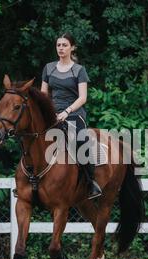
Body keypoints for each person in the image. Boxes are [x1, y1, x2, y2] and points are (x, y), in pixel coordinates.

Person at [41, 32, 102, 200]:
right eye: (59, 45)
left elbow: (83, 97)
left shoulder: (79, 70)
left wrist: (66, 112)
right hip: (51, 113)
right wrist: (49, 112)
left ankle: (91, 183)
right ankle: (26, 179)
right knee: (31, 135)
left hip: (74, 113)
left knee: (81, 142)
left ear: (72, 47)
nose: (61, 48)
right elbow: (43, 93)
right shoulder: (49, 68)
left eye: (65, 45)